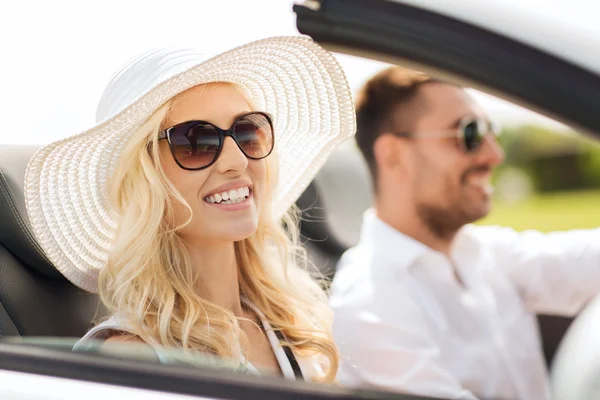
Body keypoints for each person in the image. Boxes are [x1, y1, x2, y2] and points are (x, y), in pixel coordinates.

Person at [24, 37, 356, 382]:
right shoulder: (133, 355)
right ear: (144, 179)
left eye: (247, 131)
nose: (236, 160)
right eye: (195, 142)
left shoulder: (293, 321)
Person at [328, 67, 600, 399]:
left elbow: (585, 260)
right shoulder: (371, 308)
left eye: (490, 131)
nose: (494, 155)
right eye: (468, 134)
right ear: (394, 155)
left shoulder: (482, 250)